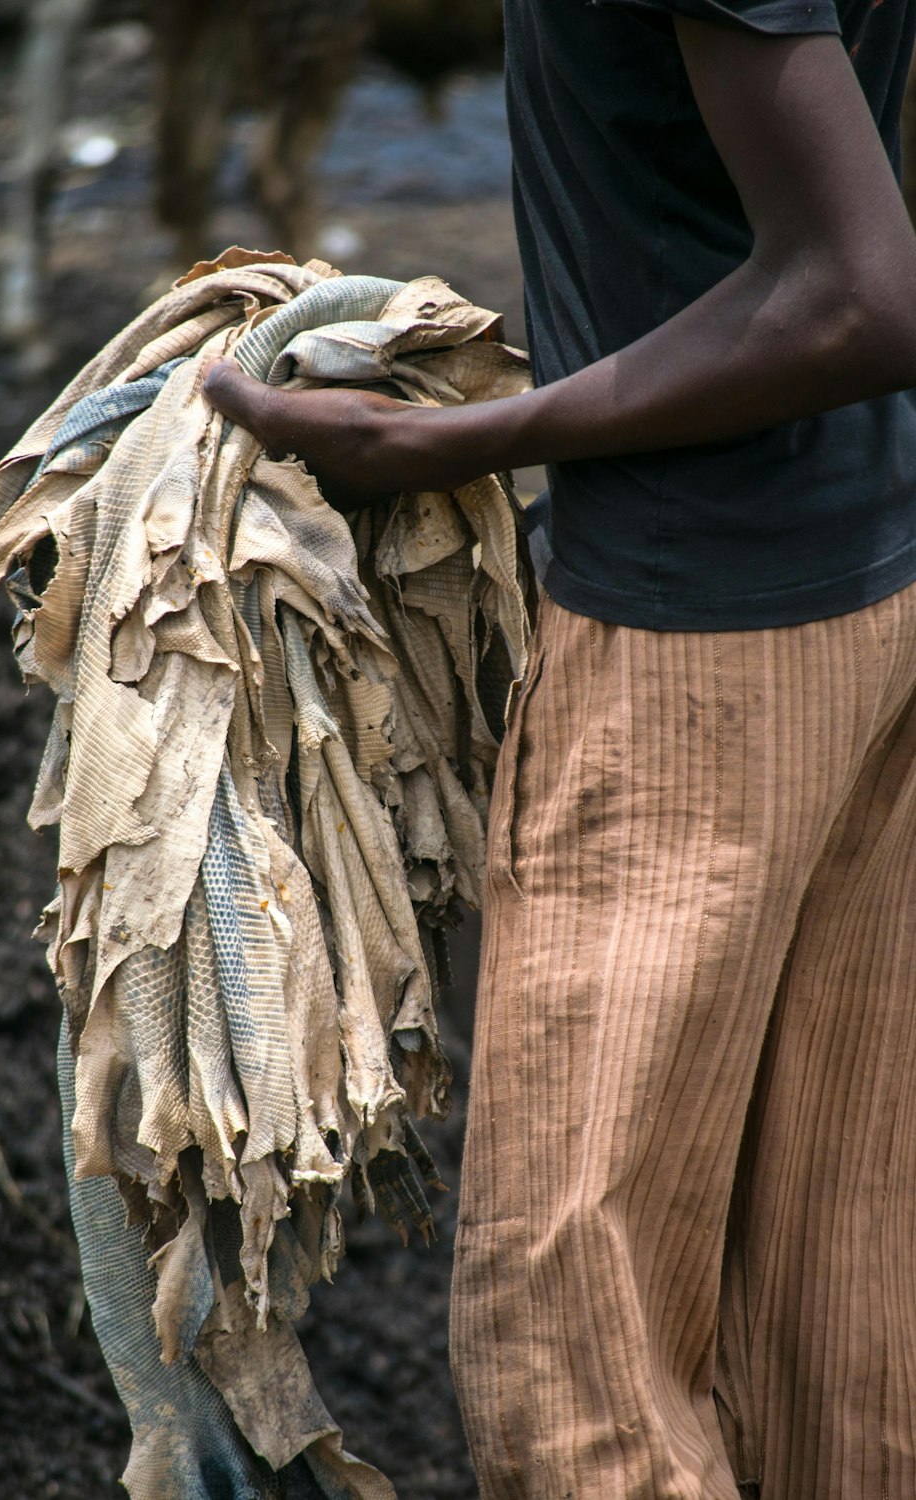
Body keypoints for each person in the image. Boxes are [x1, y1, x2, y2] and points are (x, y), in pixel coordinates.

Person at [204, 1, 916, 1495]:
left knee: (580, 1343)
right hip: (869, 592)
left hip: (693, 657)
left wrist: (465, 440)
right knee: (830, 1314)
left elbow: (860, 294)